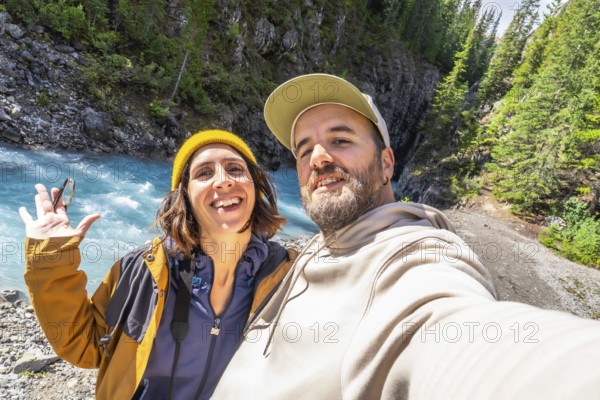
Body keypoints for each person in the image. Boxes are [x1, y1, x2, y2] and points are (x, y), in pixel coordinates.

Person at [212, 74, 600, 399]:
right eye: (303, 150)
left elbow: (453, 332)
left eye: (341, 140)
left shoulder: (416, 256)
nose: (318, 158)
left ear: (385, 164)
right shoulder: (324, 243)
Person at [19, 129, 296, 400]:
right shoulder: (144, 269)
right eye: (204, 173)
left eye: (235, 169)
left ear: (256, 186)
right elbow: (86, 347)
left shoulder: (285, 274)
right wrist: (51, 259)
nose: (222, 181)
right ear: (184, 197)